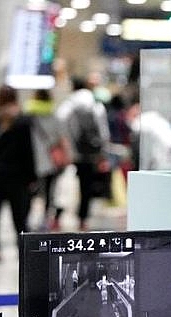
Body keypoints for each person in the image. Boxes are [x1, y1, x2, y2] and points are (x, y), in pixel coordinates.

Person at [0, 85, 36, 262]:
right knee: (20, 218)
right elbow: (28, 152)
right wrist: (32, 177)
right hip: (17, 178)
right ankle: (23, 249)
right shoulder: (22, 120)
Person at [56, 75, 110, 231]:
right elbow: (104, 132)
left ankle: (57, 217)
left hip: (72, 153)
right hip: (91, 153)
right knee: (86, 187)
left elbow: (60, 122)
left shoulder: (69, 104)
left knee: (65, 185)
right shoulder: (95, 105)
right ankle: (82, 219)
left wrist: (67, 147)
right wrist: (102, 152)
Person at [25, 89, 71, 231]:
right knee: (49, 193)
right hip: (51, 161)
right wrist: (66, 157)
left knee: (30, 192)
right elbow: (62, 138)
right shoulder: (55, 116)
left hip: (31, 161)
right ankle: (45, 221)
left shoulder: (28, 116)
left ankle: (27, 219)